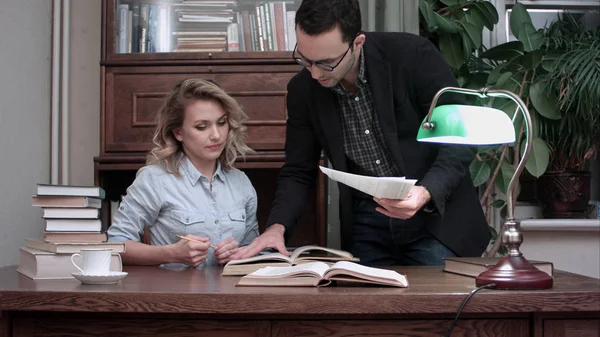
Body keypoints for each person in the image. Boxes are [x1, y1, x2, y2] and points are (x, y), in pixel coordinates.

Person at [231, 0, 490, 266]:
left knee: (435, 305)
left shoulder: (413, 56)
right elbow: (299, 170)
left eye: (327, 63)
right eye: (305, 60)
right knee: (363, 305)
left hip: (435, 218)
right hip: (367, 220)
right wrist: (277, 227)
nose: (314, 73)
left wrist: (425, 192)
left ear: (357, 42)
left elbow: (461, 135)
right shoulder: (303, 90)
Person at [107, 78, 259, 268]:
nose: (216, 135)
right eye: (202, 127)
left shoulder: (241, 183)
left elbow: (254, 250)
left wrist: (238, 254)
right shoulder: (155, 180)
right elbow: (115, 244)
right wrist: (172, 254)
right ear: (178, 132)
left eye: (221, 123)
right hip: (174, 296)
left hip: (231, 295)